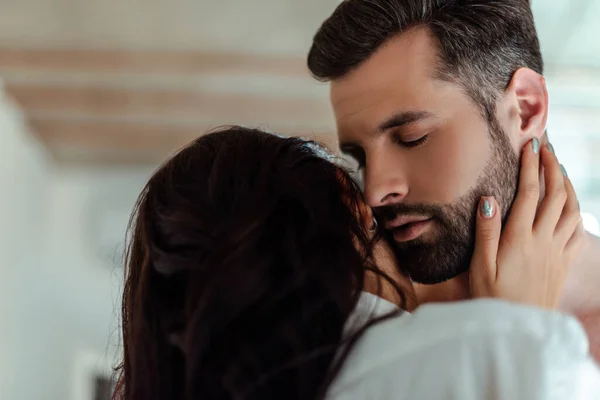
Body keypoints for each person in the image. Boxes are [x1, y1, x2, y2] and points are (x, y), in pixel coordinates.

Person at [113, 126, 599, 400]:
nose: (384, 188)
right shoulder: (505, 357)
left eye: (410, 136)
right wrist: (516, 332)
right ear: (354, 213)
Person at [307, 0, 600, 358]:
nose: (375, 190)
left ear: (526, 109)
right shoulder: (360, 323)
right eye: (360, 157)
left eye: (412, 137)